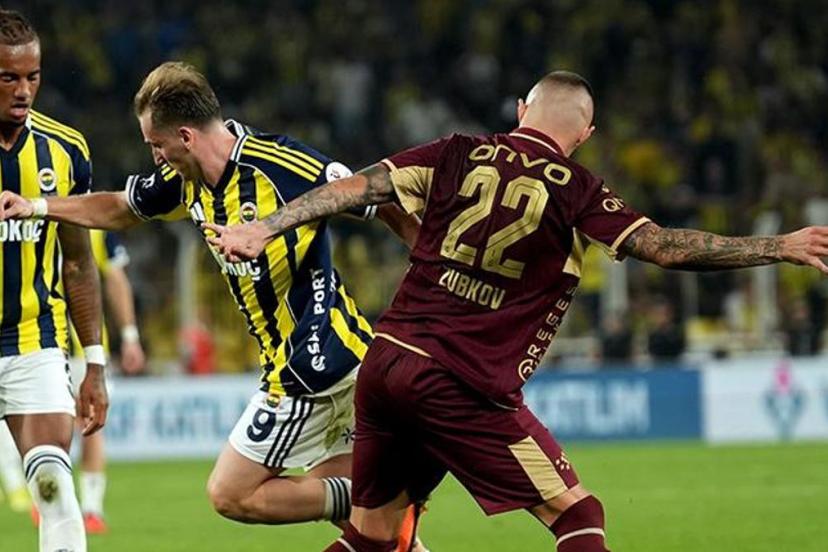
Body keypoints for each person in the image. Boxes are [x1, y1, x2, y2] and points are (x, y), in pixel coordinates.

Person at [200, 70, 828, 552]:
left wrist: (265, 227)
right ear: (584, 136)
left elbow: (353, 188)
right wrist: (780, 246)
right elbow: (664, 248)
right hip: (459, 381)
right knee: (579, 516)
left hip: (386, 365)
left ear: (522, 110)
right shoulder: (578, 190)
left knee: (373, 537)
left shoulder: (454, 152)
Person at [0, 61, 426, 551]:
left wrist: (430, 267)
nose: (155, 156)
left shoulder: (283, 165)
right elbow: (119, 207)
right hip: (321, 367)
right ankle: (376, 504)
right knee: (384, 539)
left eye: (156, 145)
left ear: (185, 137)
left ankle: (372, 499)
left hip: (314, 368)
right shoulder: (187, 181)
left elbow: (375, 196)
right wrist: (38, 205)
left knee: (231, 492)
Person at [0, 9, 108, 552]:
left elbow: (79, 262)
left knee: (53, 487)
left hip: (33, 343)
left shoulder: (65, 150)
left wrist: (95, 363)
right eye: (8, 77)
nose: (24, 91)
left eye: (33, 76)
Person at [69, 230, 146, 533]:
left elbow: (115, 278)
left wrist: (129, 336)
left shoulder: (93, 224)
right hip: (35, 343)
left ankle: (90, 508)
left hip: (83, 345)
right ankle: (54, 497)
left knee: (89, 421)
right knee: (54, 424)